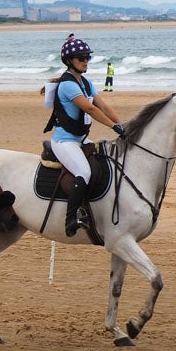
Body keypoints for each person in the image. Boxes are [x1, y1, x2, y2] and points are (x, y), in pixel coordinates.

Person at [45, 35, 126, 236]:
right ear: (69, 61)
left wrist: (122, 125)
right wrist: (113, 128)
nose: (85, 61)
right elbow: (90, 109)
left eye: (87, 57)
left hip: (80, 140)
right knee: (84, 172)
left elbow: (103, 105)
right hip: (64, 142)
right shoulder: (68, 85)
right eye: (81, 58)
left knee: (107, 159)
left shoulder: (86, 82)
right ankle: (70, 218)